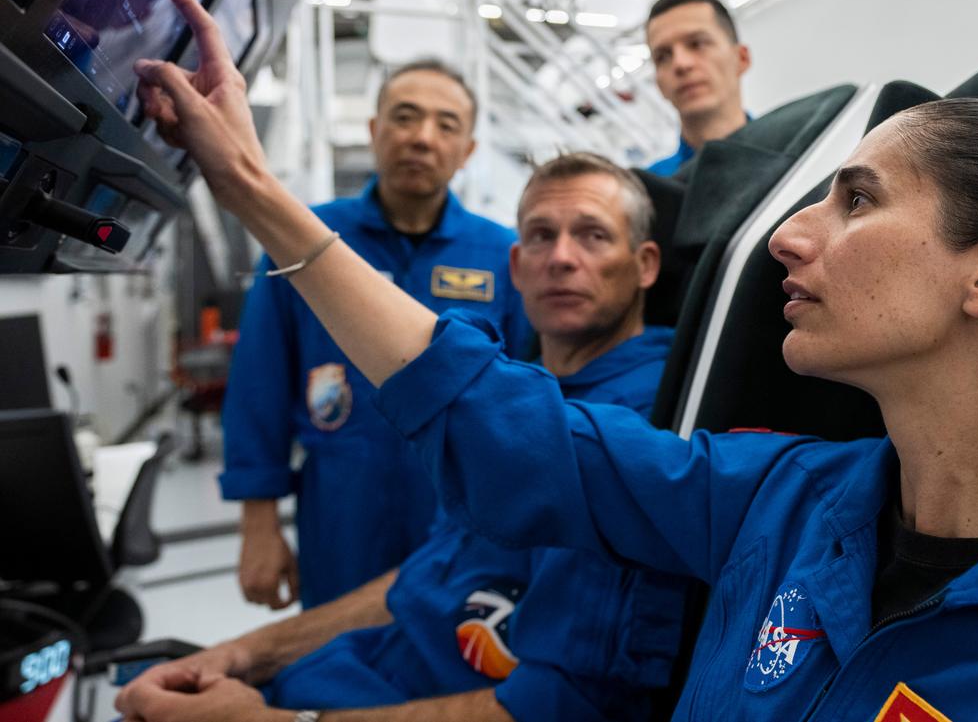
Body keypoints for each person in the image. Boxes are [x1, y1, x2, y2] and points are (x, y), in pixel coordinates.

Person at [129, 0, 978, 721]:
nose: (788, 231)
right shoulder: (784, 497)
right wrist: (258, 193)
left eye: (855, 199)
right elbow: (512, 427)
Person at [117, 152, 683, 722]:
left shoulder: (642, 426)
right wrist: (244, 654)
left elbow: (573, 703)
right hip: (343, 649)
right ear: (515, 266)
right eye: (541, 236)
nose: (562, 258)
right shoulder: (518, 407)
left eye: (593, 236)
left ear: (645, 264)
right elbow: (420, 583)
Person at [220, 57, 530, 611]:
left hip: (460, 509)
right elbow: (257, 389)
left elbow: (529, 399)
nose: (421, 138)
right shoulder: (303, 239)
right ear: (374, 130)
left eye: (446, 125)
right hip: (340, 506)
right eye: (405, 117)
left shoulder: (502, 256)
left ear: (469, 150)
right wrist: (259, 524)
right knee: (328, 658)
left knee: (448, 662)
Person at [645, 0, 751, 177]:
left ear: (741, 58)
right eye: (663, 56)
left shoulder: (799, 150)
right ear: (658, 84)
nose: (680, 64)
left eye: (697, 44)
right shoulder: (651, 194)